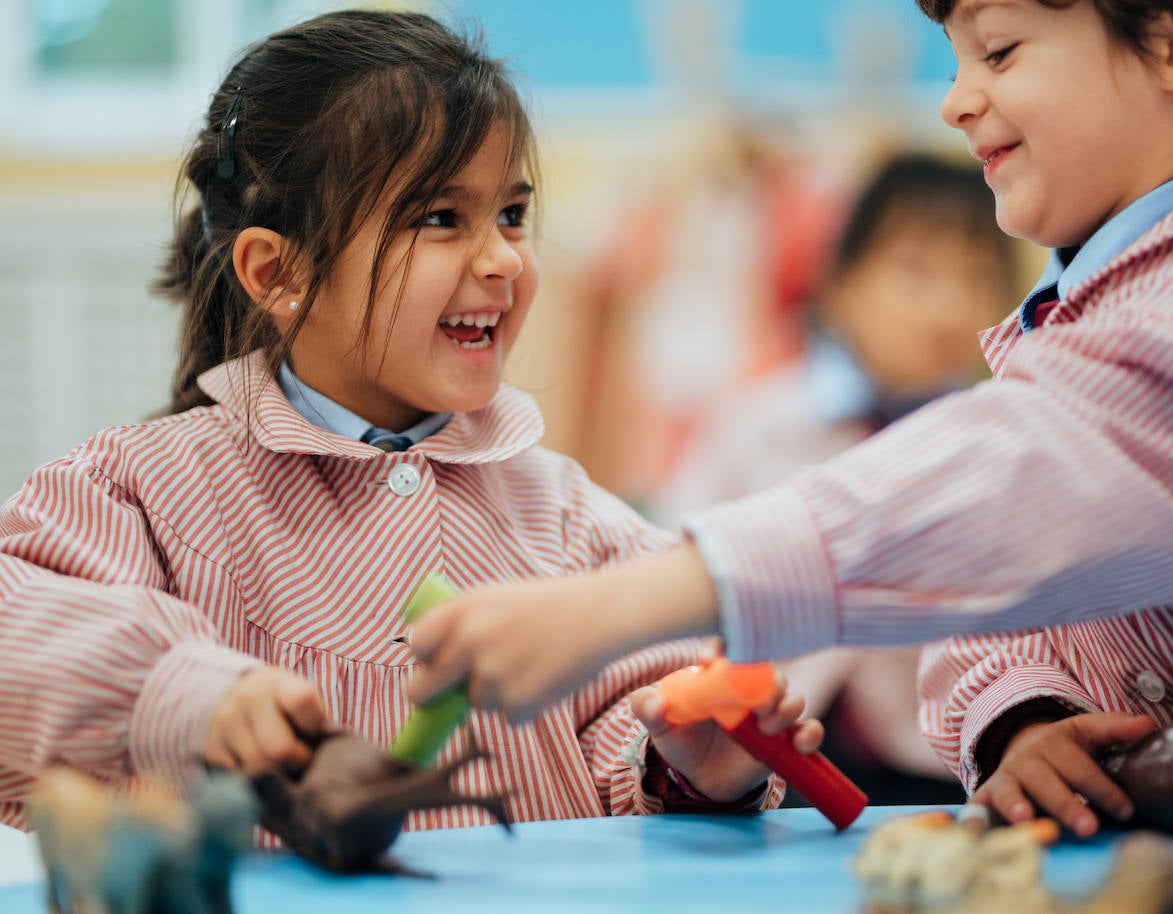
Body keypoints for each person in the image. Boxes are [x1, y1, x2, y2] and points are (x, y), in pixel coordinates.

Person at [407, 0, 1173, 838]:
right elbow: (997, 605)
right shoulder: (1109, 304)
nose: (955, 98)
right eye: (959, 61)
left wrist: (611, 611)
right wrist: (1024, 724)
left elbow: (973, 507)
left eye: (999, 52)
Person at [0, 10, 822, 835]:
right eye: (440, 218)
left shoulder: (568, 516)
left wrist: (689, 766)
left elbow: (636, 731)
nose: (503, 257)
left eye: (511, 214)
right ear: (278, 271)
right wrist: (183, 692)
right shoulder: (139, 489)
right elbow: (21, 636)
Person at [651, 152, 1015, 805]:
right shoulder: (757, 423)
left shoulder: (1000, 444)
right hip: (761, 759)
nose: (947, 307)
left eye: (978, 279)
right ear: (842, 282)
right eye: (916, 272)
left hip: (939, 769)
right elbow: (664, 566)